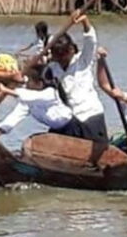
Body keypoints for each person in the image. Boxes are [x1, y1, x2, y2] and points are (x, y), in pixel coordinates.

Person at [46, 12, 108, 143]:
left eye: (64, 55)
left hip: (90, 115)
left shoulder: (82, 60)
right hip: (69, 117)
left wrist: (84, 22)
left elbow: (91, 40)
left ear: (71, 50)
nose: (62, 59)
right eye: (58, 56)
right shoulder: (52, 68)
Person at [0, 64, 81, 138]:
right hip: (56, 129)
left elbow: (28, 95)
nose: (26, 84)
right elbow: (16, 115)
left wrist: (6, 90)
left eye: (29, 81)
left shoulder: (51, 93)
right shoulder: (28, 101)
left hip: (71, 129)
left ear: (39, 84)